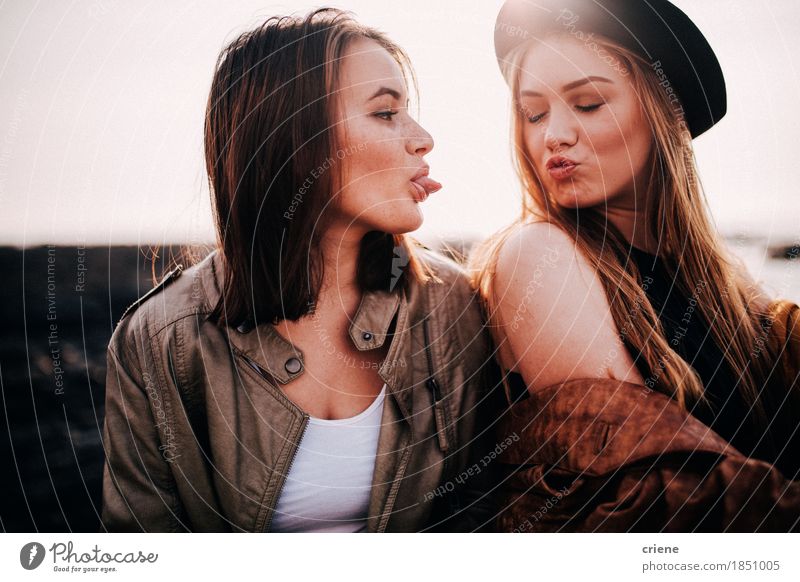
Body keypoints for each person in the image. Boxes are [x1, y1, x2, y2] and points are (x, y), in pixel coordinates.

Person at [101, 8, 500, 533]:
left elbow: (480, 516)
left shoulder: (453, 306)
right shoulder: (161, 339)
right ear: (291, 135)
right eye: (385, 113)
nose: (422, 138)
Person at [469, 0, 800, 531]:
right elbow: (651, 485)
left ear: (663, 112)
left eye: (589, 102)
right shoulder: (541, 254)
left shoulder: (726, 283)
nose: (553, 133)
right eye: (534, 113)